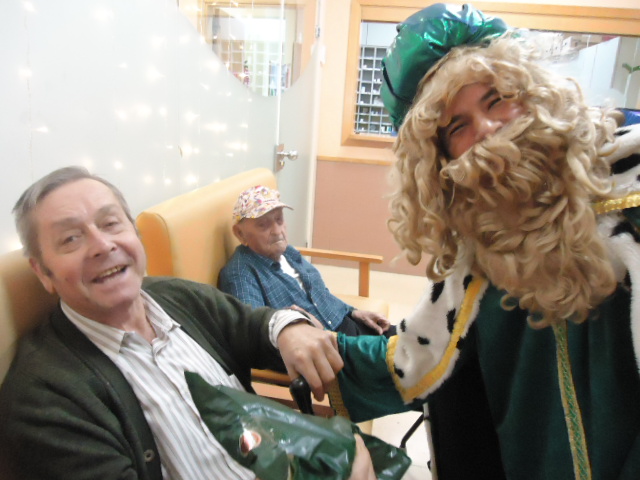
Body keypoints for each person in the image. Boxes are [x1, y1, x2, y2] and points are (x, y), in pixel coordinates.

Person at [319, 3, 640, 479]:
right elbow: (413, 357)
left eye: (496, 100)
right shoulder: (477, 254)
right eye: (458, 126)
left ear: (532, 93)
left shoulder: (628, 191)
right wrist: (287, 334)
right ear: (440, 160)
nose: (487, 129)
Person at [0, 166, 375, 480]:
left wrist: (289, 328)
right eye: (71, 238)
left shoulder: (174, 296)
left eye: (111, 223)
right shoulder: (43, 399)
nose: (102, 245)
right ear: (42, 272)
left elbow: (249, 322)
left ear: (134, 235)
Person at [219, 185, 394, 337]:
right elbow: (254, 334)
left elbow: (321, 294)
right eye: (263, 225)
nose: (277, 231)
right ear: (240, 234)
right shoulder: (241, 274)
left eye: (279, 219)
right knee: (399, 355)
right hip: (327, 347)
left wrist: (354, 312)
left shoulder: (289, 253)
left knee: (404, 339)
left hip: (344, 325)